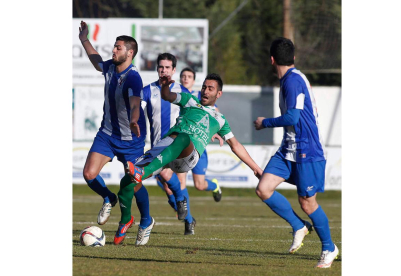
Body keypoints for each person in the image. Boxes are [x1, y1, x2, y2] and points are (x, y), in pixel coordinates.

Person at [122, 74, 263, 233]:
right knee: (127, 180)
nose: (205, 91)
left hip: (188, 155)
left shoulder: (220, 119)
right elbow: (167, 96)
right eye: (204, 87)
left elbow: (236, 145)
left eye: (210, 89)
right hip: (167, 147)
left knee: (183, 141)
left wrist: (256, 168)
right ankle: (125, 222)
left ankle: (146, 174)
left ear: (218, 94)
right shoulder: (189, 100)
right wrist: (165, 86)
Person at [253, 37, 338, 268]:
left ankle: (329, 247)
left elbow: (293, 117)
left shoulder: (292, 81)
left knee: (308, 203)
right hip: (289, 148)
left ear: (272, 60)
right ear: (293, 57)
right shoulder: (291, 79)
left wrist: (265, 122)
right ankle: (299, 226)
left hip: (307, 150)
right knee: (263, 188)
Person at [78, 21, 154, 246]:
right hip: (107, 134)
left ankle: (146, 220)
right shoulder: (110, 67)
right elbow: (97, 62)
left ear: (130, 53)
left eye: (118, 47)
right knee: (89, 174)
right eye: (114, 46)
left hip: (132, 139)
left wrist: (132, 120)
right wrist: (84, 39)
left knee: (135, 182)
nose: (113, 50)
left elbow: (134, 103)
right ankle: (109, 197)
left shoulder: (133, 78)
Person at [139, 53, 198, 235]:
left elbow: (195, 114)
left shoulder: (182, 92)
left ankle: (186, 217)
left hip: (178, 145)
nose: (163, 70)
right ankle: (188, 217)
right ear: (157, 69)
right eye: (161, 67)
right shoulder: (147, 90)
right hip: (157, 145)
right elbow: (137, 110)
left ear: (173, 70)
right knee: (167, 184)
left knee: (175, 179)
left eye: (167, 67)